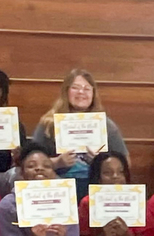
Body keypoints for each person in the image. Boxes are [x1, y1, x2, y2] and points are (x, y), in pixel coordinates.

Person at [31, 68, 129, 199]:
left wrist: (100, 163)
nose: (81, 92)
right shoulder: (49, 123)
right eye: (75, 88)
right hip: (58, 182)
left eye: (87, 89)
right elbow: (30, 161)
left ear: (93, 94)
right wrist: (56, 162)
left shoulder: (106, 125)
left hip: (94, 182)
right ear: (66, 91)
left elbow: (126, 162)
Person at [78, 151, 144, 236]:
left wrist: (127, 235)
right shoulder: (87, 202)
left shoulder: (136, 199)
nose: (115, 177)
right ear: (98, 177)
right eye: (107, 173)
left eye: (120, 172)